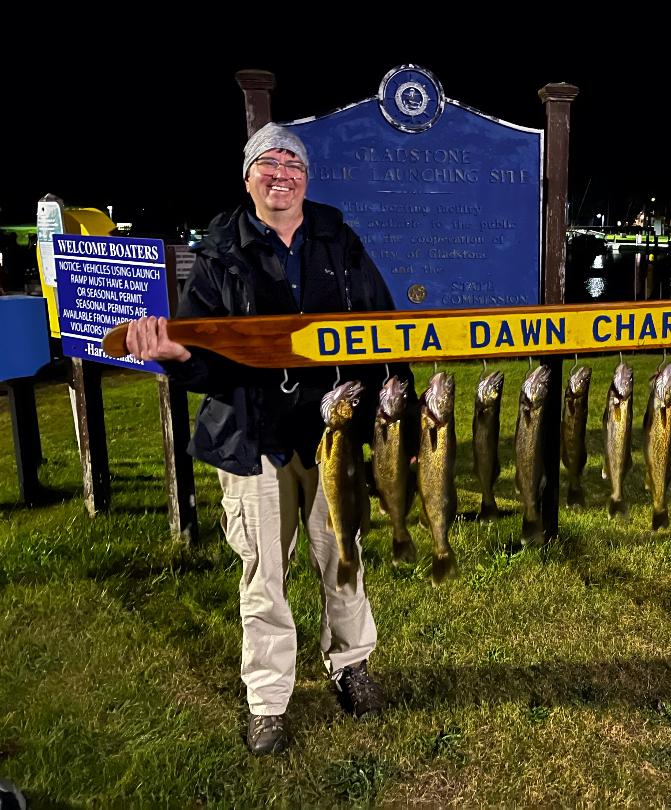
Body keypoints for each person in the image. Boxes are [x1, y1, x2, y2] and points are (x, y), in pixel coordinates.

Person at [126, 122, 414, 753]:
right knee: (264, 577)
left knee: (343, 557)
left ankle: (351, 664)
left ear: (306, 179)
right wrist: (178, 354)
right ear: (249, 176)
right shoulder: (220, 249)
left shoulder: (339, 240)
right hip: (255, 437)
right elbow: (205, 358)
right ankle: (268, 700)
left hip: (331, 433)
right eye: (268, 163)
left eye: (292, 163)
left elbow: (385, 329)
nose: (280, 172)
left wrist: (402, 417)